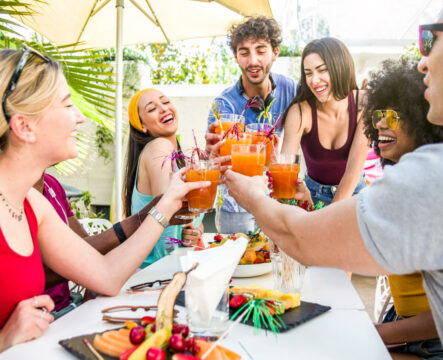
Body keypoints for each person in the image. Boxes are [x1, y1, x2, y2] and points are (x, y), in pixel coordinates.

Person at [224, 0, 443, 358]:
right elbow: (287, 166)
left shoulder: (440, 177)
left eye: (430, 40)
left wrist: (250, 194)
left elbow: (304, 234)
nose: (423, 61)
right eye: (308, 72)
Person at [0, 48, 210, 352]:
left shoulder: (32, 204)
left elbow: (107, 276)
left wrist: (165, 205)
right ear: (24, 126)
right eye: (67, 104)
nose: (80, 117)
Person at [363, 58, 443, 359]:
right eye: (379, 114)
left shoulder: (439, 192)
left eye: (394, 116)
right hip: (401, 324)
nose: (381, 123)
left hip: (439, 342)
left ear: (424, 124)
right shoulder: (398, 181)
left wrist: (381, 333)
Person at [205, 16, 297, 234]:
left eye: (261, 50)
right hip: (236, 209)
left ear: (275, 52)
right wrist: (212, 159)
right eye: (244, 52)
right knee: (238, 264)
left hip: (276, 203)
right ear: (236, 57)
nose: (253, 60)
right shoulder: (223, 105)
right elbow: (214, 167)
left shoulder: (291, 90)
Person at [35, 172, 171, 318]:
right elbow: (41, 270)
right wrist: (145, 218)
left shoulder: (51, 185)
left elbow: (85, 249)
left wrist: (93, 277)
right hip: (41, 319)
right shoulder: (16, 196)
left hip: (69, 307)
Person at [281, 38, 369, 206]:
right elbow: (286, 170)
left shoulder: (364, 104)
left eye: (322, 70)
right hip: (311, 196)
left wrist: (327, 219)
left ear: (340, 68)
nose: (314, 80)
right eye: (308, 73)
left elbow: (353, 170)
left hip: (355, 195)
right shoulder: (299, 112)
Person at [123, 88, 204, 268]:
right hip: (153, 274)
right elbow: (167, 206)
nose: (163, 109)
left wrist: (194, 231)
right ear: (142, 126)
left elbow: (183, 220)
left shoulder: (179, 160)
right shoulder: (159, 146)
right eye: (151, 109)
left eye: (165, 102)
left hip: (170, 269)